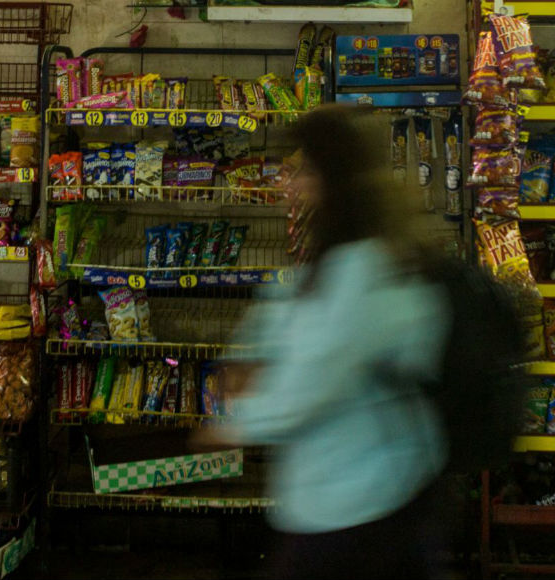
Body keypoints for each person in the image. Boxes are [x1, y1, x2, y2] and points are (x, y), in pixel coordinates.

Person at [203, 105, 453, 579]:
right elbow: (289, 308)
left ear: (334, 179)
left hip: (359, 504)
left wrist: (231, 427)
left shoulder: (360, 271)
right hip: (363, 497)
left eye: (305, 170)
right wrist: (249, 353)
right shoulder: (362, 253)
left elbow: (310, 385)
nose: (291, 182)